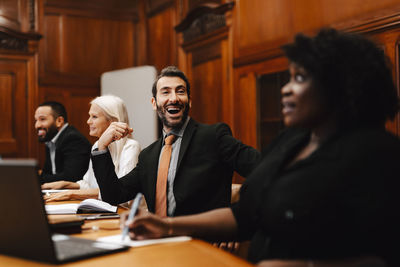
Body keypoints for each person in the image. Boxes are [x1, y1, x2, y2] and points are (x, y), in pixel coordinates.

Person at [125, 28, 400, 267]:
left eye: (300, 79)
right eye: (289, 78)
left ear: (340, 86)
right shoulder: (290, 142)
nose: (286, 89)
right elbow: (245, 214)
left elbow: (384, 255)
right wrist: (167, 227)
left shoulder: (378, 155)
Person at [91, 66, 261, 217]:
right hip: (158, 242)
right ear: (154, 103)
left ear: (190, 101)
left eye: (180, 91)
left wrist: (236, 221)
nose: (174, 98)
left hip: (202, 243)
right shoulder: (148, 156)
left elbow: (263, 170)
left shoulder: (213, 136)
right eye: (165, 92)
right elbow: (113, 196)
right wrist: (101, 147)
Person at [42, 95, 141, 201]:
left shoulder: (131, 147)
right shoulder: (97, 145)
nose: (88, 121)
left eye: (94, 117)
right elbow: (88, 184)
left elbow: (119, 192)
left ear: (113, 121)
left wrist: (70, 194)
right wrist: (64, 184)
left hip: (125, 214)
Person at [34, 101, 91, 184]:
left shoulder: (73, 138)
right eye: (36, 120)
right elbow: (48, 173)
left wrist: (37, 178)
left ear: (59, 121)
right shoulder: (50, 139)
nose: (37, 125)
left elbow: (71, 177)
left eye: (42, 119)